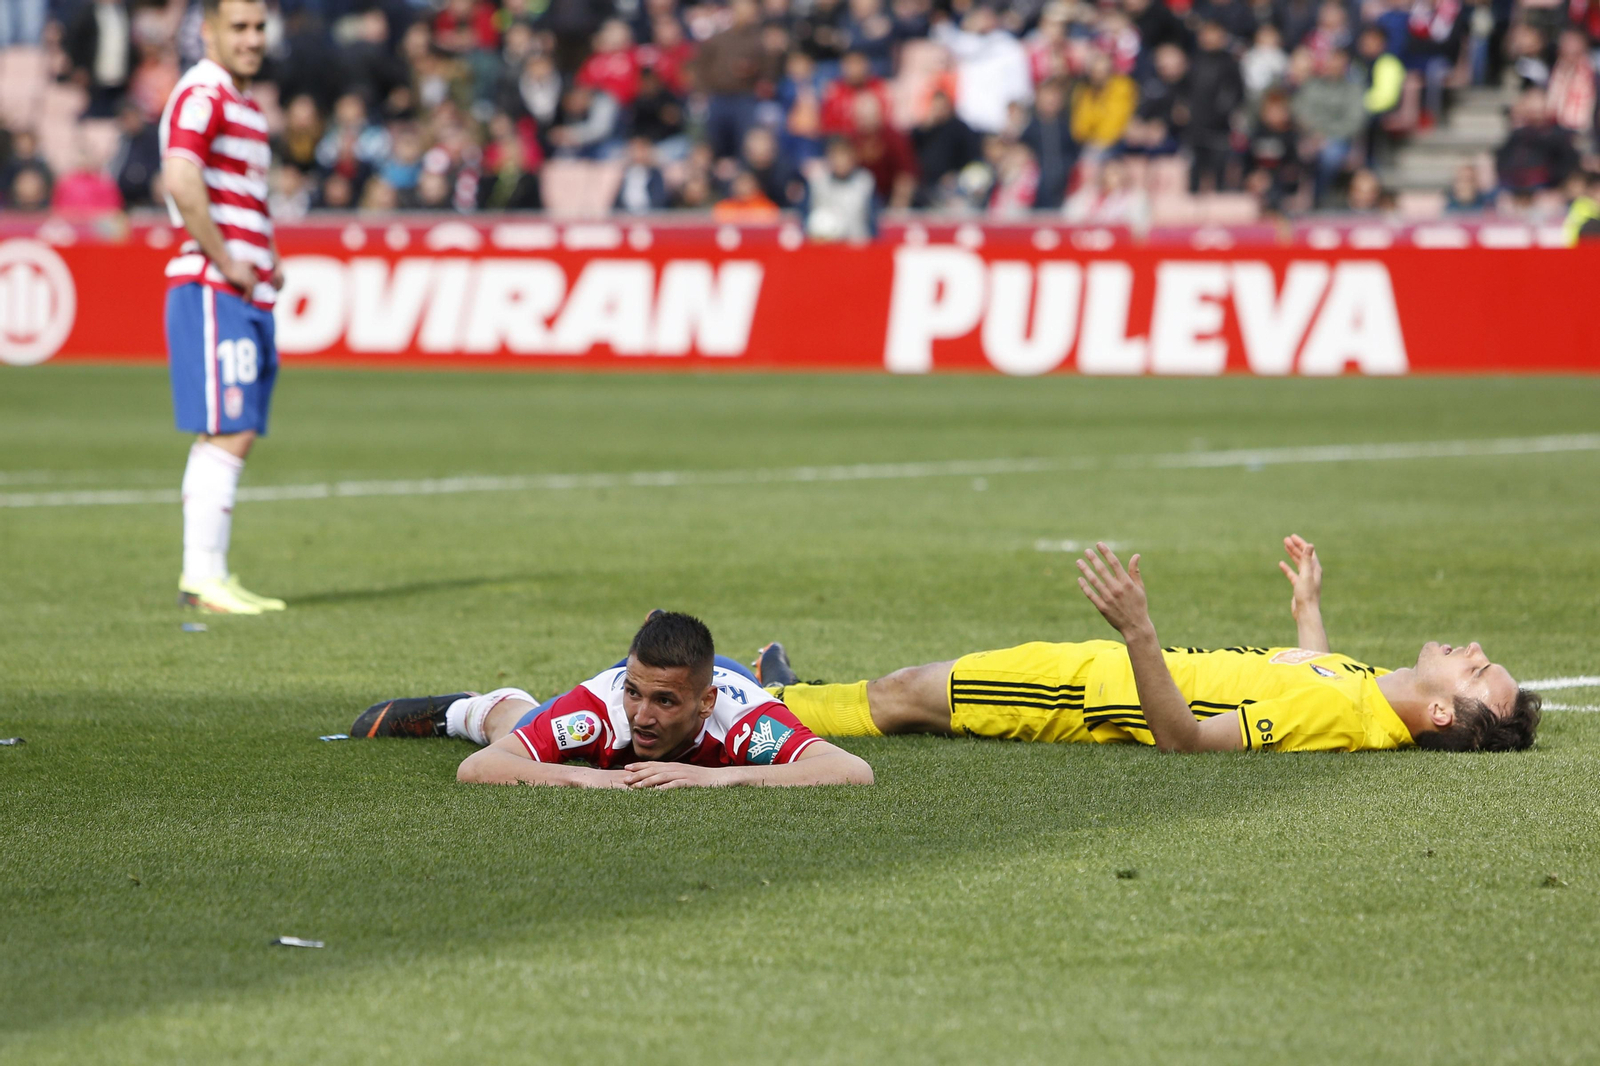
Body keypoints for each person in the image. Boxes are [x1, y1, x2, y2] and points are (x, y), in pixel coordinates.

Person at [756, 536, 1542, 754]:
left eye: (1477, 669)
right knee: (909, 686)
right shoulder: (1366, 691)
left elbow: (1189, 741)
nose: (1472, 646)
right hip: (1097, 669)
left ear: (1441, 712)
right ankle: (787, 693)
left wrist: (1138, 630)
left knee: (905, 694)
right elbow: (1310, 671)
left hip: (1084, 691)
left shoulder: (1339, 713)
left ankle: (762, 710)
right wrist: (1308, 612)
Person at [352, 612, 874, 789]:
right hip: (650, 684)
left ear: (704, 704)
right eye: (636, 694)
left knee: (787, 711)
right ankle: (471, 706)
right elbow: (479, 769)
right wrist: (592, 777)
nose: (642, 717)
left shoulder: (738, 720)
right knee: (513, 725)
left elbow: (854, 771)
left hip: (736, 685)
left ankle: (774, 681)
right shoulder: (599, 708)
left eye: (664, 702)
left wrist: (717, 775)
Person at [158, 0, 285, 615]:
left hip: (247, 288)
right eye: (239, 27)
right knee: (227, 425)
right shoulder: (202, 92)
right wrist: (228, 258)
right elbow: (180, 177)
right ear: (208, 32)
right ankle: (201, 575)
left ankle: (209, 573)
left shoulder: (245, 103)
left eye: (259, 27)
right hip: (213, 285)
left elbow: (244, 196)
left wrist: (266, 255)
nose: (252, 38)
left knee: (238, 428)